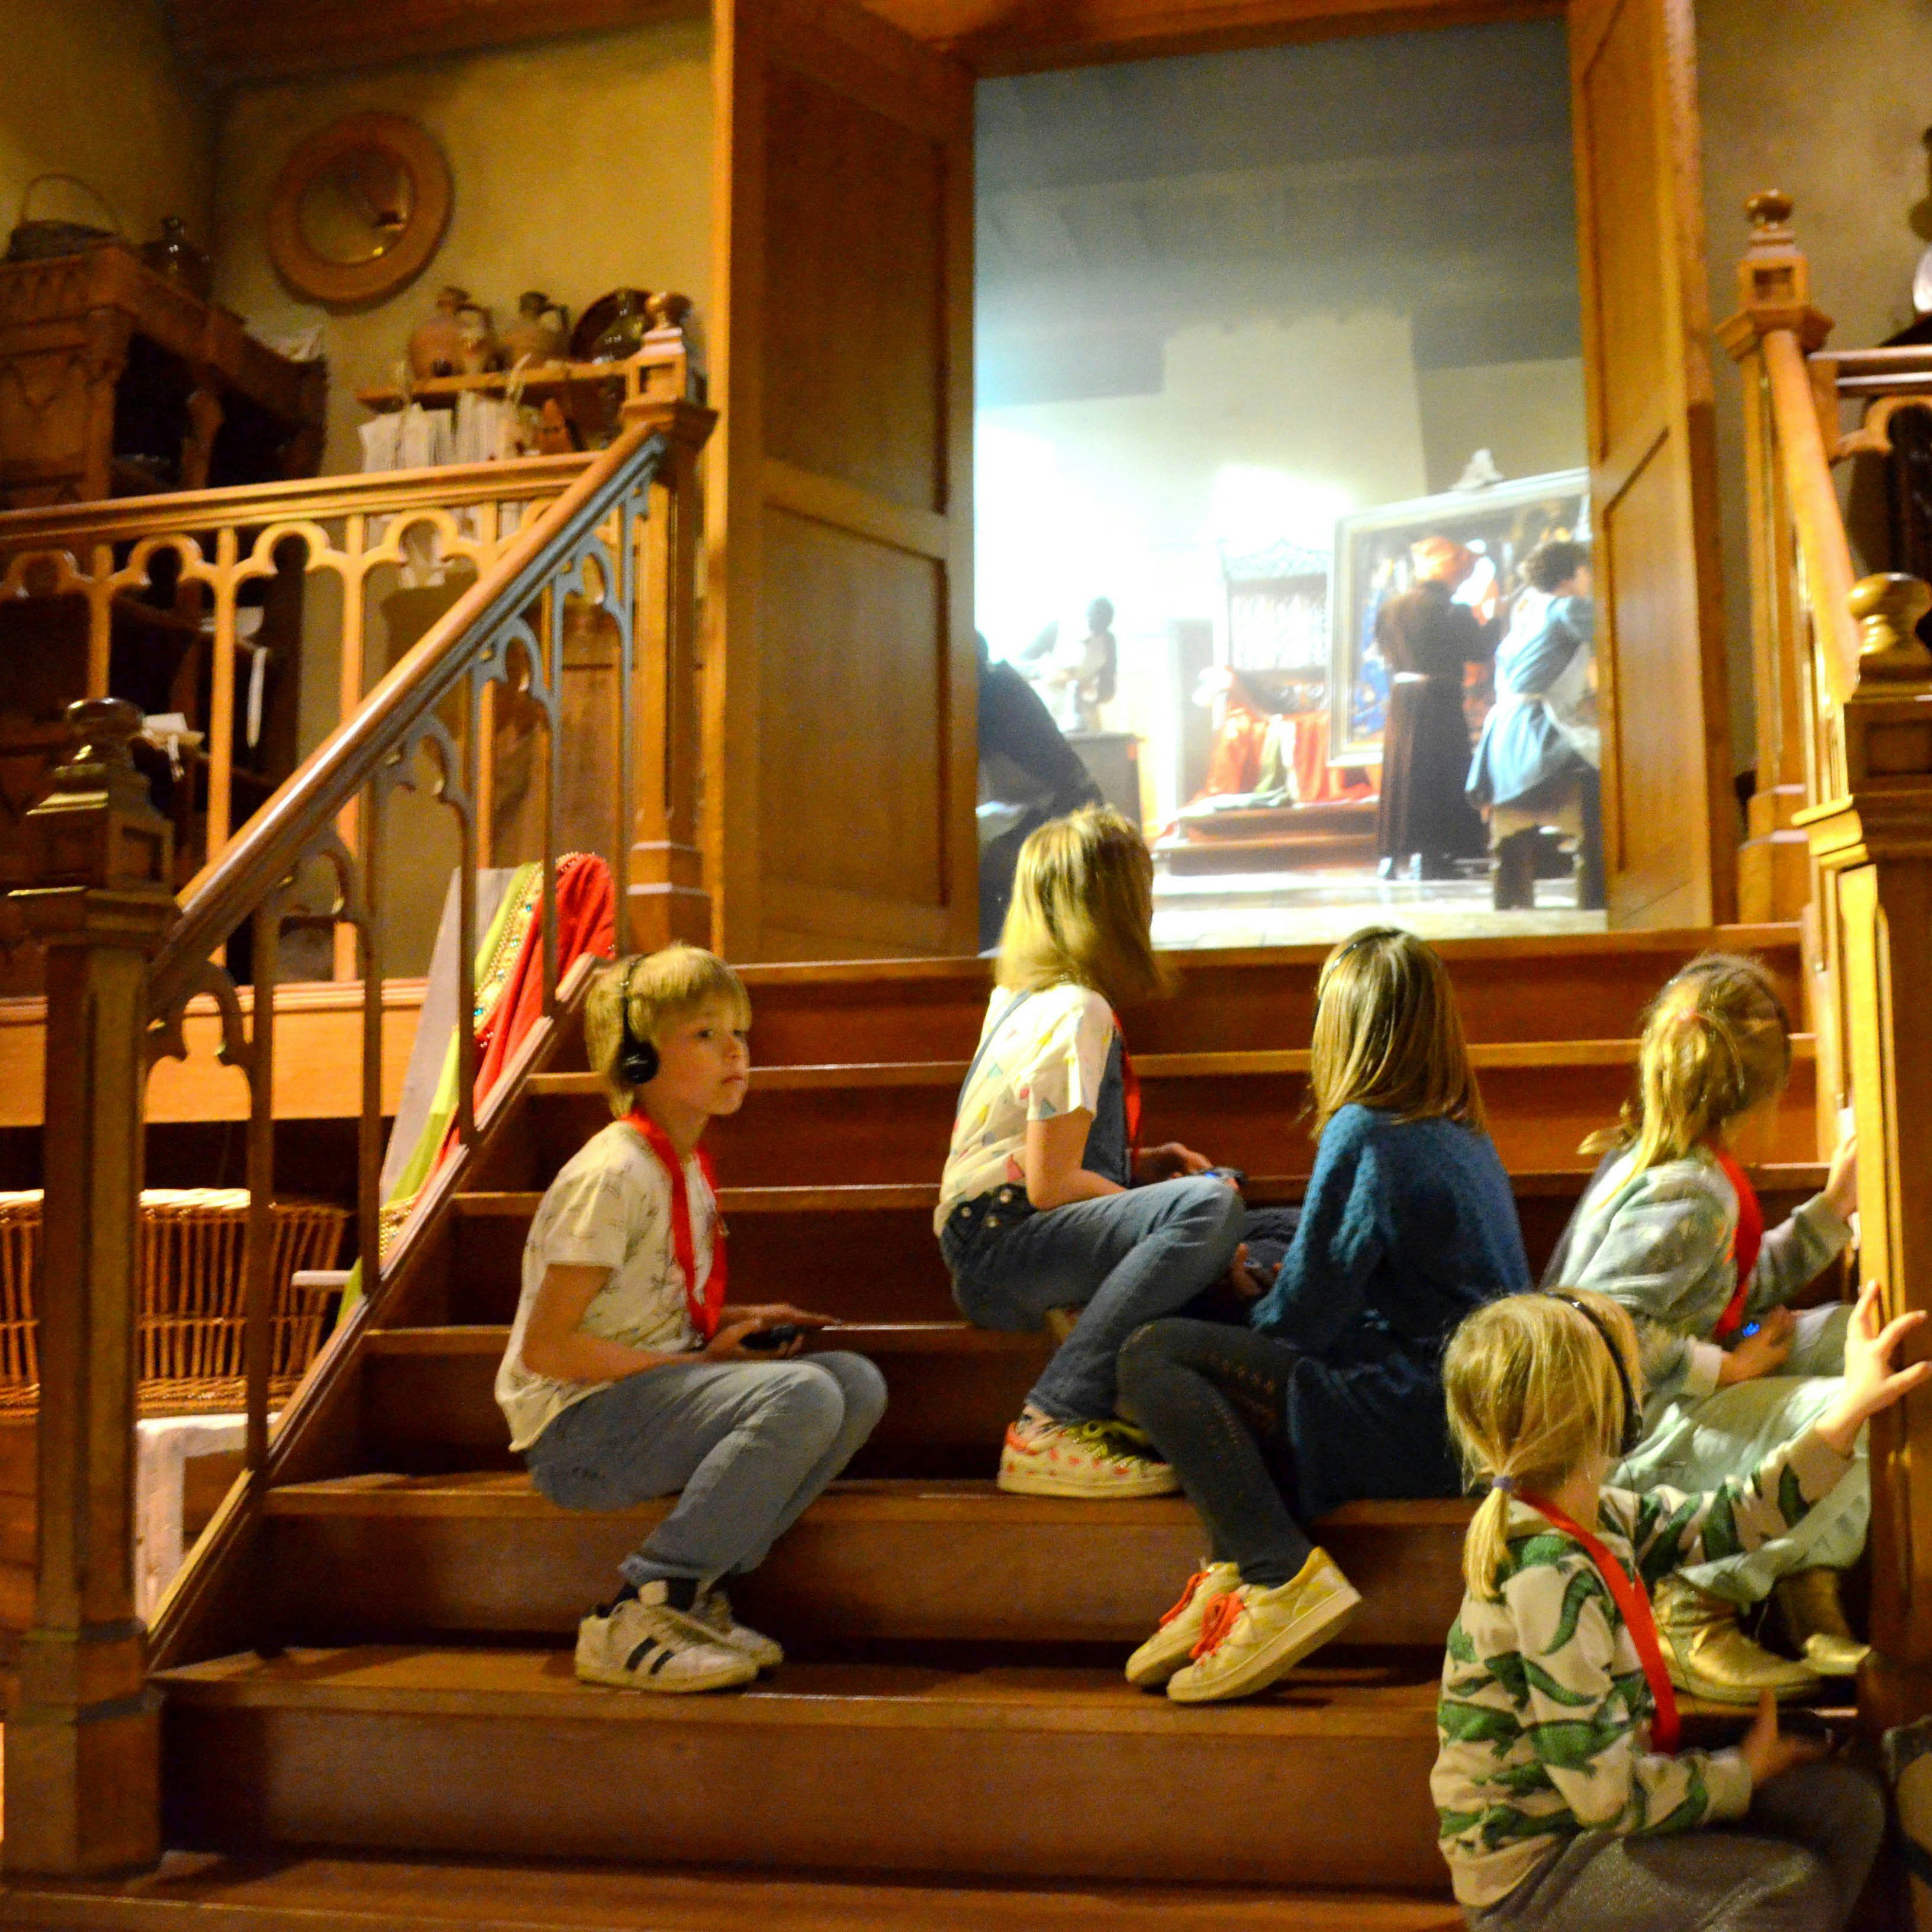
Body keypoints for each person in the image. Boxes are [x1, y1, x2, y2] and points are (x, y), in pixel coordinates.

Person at [1115, 926, 1530, 1703]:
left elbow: (1299, 1324)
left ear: (1344, 1027)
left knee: (1153, 1356)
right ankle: (1232, 1570)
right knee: (1264, 1249)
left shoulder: (1366, 1130)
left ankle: (1276, 1574)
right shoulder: (1459, 1130)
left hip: (1420, 1414)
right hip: (1473, 1412)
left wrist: (1246, 1294)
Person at [1434, 1284, 1910, 1931]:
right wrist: (1743, 1771)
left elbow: (1733, 1518)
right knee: (1789, 1889)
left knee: (1847, 1806)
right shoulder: (1547, 1575)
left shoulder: (1599, 1515)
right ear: (1604, 1409)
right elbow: (1606, 1798)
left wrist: (1850, 1409)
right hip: (1537, 1873)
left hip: (1602, 1818)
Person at [496, 945, 887, 1693]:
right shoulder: (612, 1173)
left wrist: (737, 1319)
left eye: (738, 1032)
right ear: (637, 1058)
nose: (735, 1051)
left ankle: (699, 1593)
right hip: (577, 1431)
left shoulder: (682, 1164)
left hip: (643, 1398)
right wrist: (701, 1366)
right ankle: (645, 1606)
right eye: (704, 1034)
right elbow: (548, 1349)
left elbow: (641, 1306)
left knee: (854, 1383)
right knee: (803, 1394)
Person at [1544, 953, 1862, 1702]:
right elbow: (1598, 1327)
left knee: (1862, 1339)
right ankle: (1691, 1602)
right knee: (1869, 1402)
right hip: (1627, 1451)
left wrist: (1829, 1213)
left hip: (1662, 1408)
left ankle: (1800, 1571)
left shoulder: (1682, 1165)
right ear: (1766, 1096)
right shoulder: (1688, 1193)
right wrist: (1724, 1369)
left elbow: (1722, 1291)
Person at [936, 806, 1244, 1499]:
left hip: (991, 1244)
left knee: (1230, 1206)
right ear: (1112, 908)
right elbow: (1049, 1187)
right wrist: (1163, 1208)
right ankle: (1054, 1418)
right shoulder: (1080, 1010)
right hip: (1008, 1248)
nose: (1151, 909)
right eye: (1143, 891)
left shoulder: (1019, 1002)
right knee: (1208, 1209)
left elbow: (1035, 1157)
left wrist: (1142, 1170)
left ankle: (1131, 1393)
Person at [1467, 537, 1604, 912]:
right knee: (1611, 778)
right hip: (1537, 734)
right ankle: (1599, 895)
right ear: (1573, 574)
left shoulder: (1526, 613)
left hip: (1504, 738)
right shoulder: (1567, 607)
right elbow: (1617, 636)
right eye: (1587, 571)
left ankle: (1512, 897)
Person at [1374, 536, 1496, 880]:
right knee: (1438, 772)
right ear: (1451, 569)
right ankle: (1432, 856)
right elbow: (1478, 650)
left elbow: (1385, 651)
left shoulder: (1392, 608)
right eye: (1464, 569)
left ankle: (1392, 857)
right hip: (1438, 698)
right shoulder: (1452, 610)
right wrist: (1495, 618)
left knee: (1402, 773)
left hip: (1403, 698)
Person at [975, 633, 1104, 951]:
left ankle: (991, 958)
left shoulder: (992, 695)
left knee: (971, 862)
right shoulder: (997, 684)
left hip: (1067, 813)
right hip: (1051, 807)